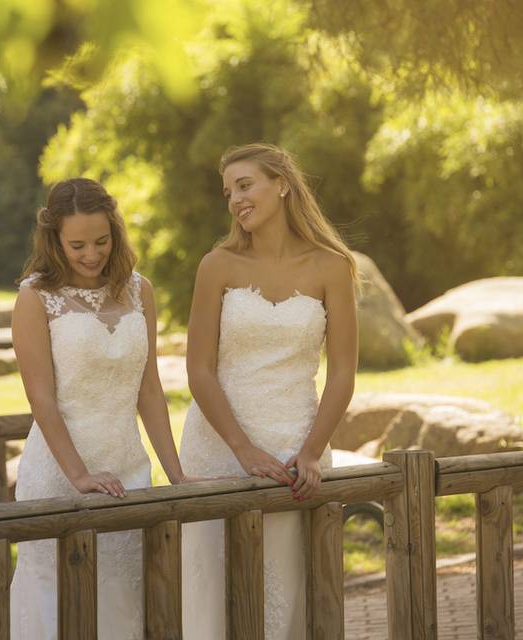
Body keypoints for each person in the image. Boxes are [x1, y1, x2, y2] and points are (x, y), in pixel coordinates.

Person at [179, 143, 358, 638]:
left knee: (285, 592)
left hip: (293, 449)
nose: (235, 200)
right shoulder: (217, 265)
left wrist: (312, 450)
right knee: (213, 595)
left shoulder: (331, 266)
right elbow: (198, 369)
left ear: (281, 184)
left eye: (245, 185)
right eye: (228, 192)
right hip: (218, 446)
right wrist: (242, 447)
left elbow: (342, 372)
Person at [9, 177, 193, 639]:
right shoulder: (35, 298)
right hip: (57, 472)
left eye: (101, 241)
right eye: (77, 245)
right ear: (54, 240)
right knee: (57, 609)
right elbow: (41, 398)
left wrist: (176, 474)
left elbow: (148, 390)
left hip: (127, 472)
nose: (92, 254)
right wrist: (79, 477)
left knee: (121, 607)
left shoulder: (139, 291)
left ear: (115, 231)